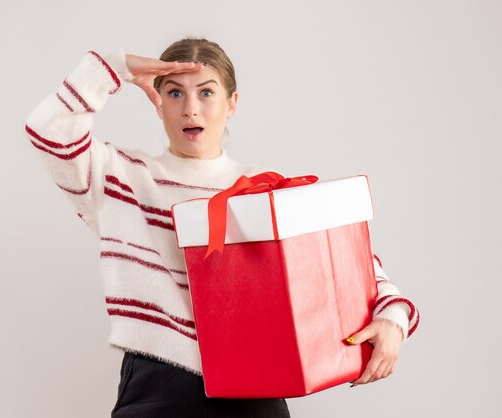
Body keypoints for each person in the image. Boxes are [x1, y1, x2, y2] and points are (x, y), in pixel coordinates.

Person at [24, 37, 420, 417]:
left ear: (232, 103)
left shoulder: (266, 189)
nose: (190, 109)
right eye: (175, 93)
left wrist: (393, 318)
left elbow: (353, 270)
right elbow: (47, 131)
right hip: (156, 388)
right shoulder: (121, 178)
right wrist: (113, 67)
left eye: (207, 92)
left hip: (256, 392)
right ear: (157, 104)